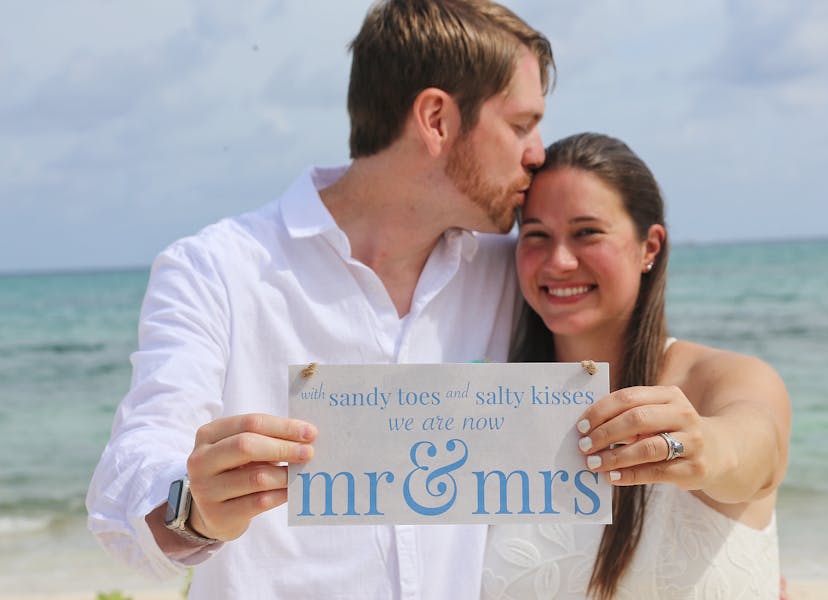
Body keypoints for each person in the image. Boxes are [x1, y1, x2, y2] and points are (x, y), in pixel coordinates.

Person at [86, 1, 554, 597]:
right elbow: (128, 477)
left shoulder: (519, 273)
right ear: (436, 118)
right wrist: (195, 508)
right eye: (520, 125)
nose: (537, 152)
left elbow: (652, 353)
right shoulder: (217, 270)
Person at [481, 133, 791, 599]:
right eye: (537, 236)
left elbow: (757, 448)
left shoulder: (717, 379)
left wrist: (705, 447)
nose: (559, 261)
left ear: (650, 247)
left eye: (587, 233)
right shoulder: (493, 402)